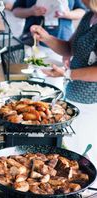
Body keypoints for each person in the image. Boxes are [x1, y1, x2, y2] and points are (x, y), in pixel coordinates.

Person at [30, 0, 97, 173]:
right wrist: (46, 37)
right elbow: (69, 48)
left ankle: (86, 193)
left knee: (86, 158)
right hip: (74, 96)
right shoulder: (89, 16)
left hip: (92, 102)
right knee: (73, 152)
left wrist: (67, 74)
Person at [12, 0, 86, 41]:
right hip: (31, 38)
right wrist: (31, 11)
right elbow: (15, 11)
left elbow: (83, 11)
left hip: (63, 39)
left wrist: (67, 14)